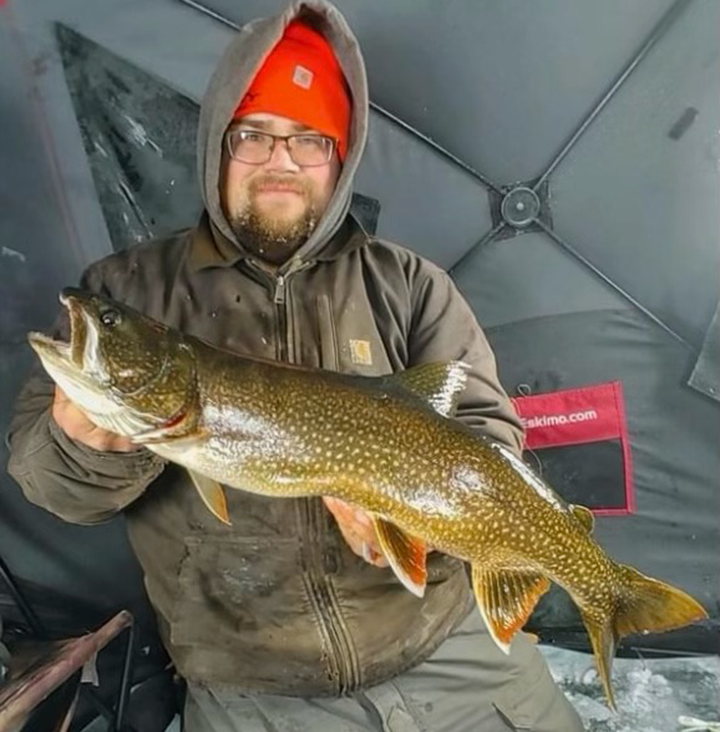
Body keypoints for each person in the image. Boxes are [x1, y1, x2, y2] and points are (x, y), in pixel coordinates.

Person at [7, 1, 584, 729]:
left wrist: (432, 530)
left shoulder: (410, 285)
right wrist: (84, 447)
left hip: (450, 650)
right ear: (219, 143)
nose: (281, 161)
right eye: (255, 135)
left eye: (308, 139)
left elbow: (488, 440)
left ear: (337, 159)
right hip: (256, 686)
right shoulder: (124, 290)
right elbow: (50, 488)